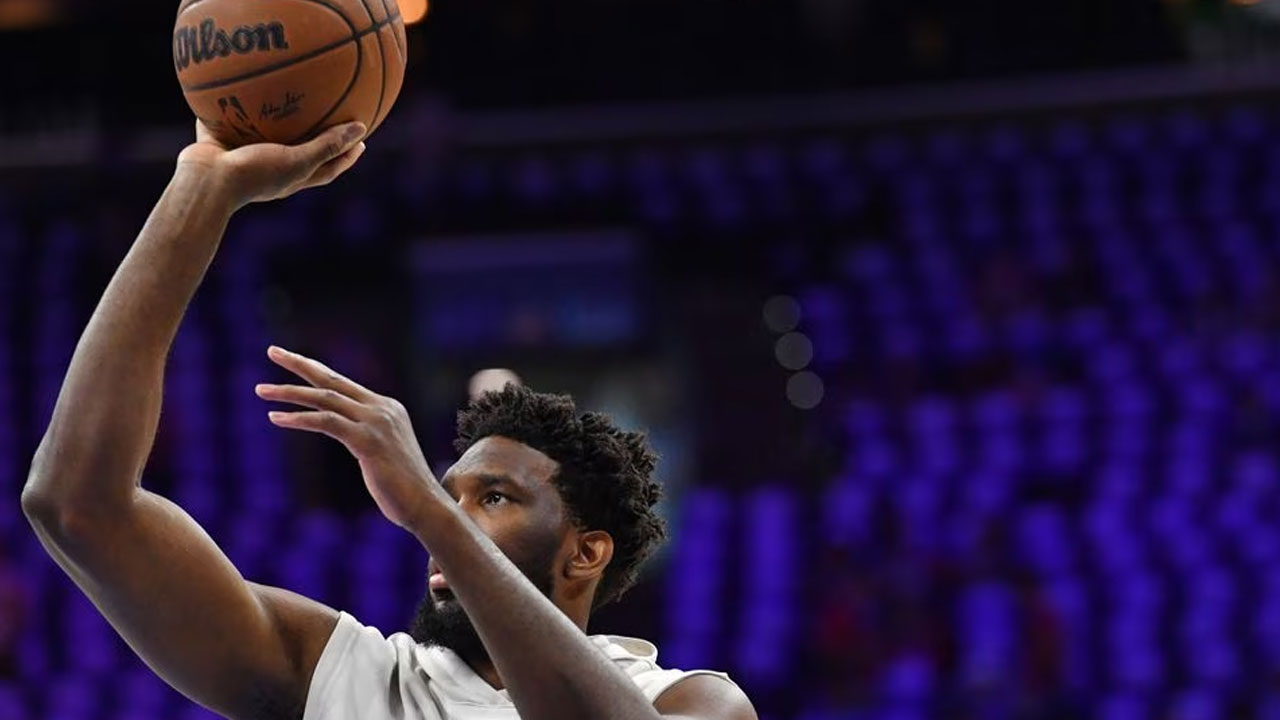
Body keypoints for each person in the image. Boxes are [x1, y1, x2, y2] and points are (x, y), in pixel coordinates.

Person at [20, 120, 756, 720]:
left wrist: (434, 515)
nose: (450, 513)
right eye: (450, 491)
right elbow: (78, 505)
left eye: (492, 498)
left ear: (585, 552)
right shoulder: (347, 677)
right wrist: (200, 190)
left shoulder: (690, 700)